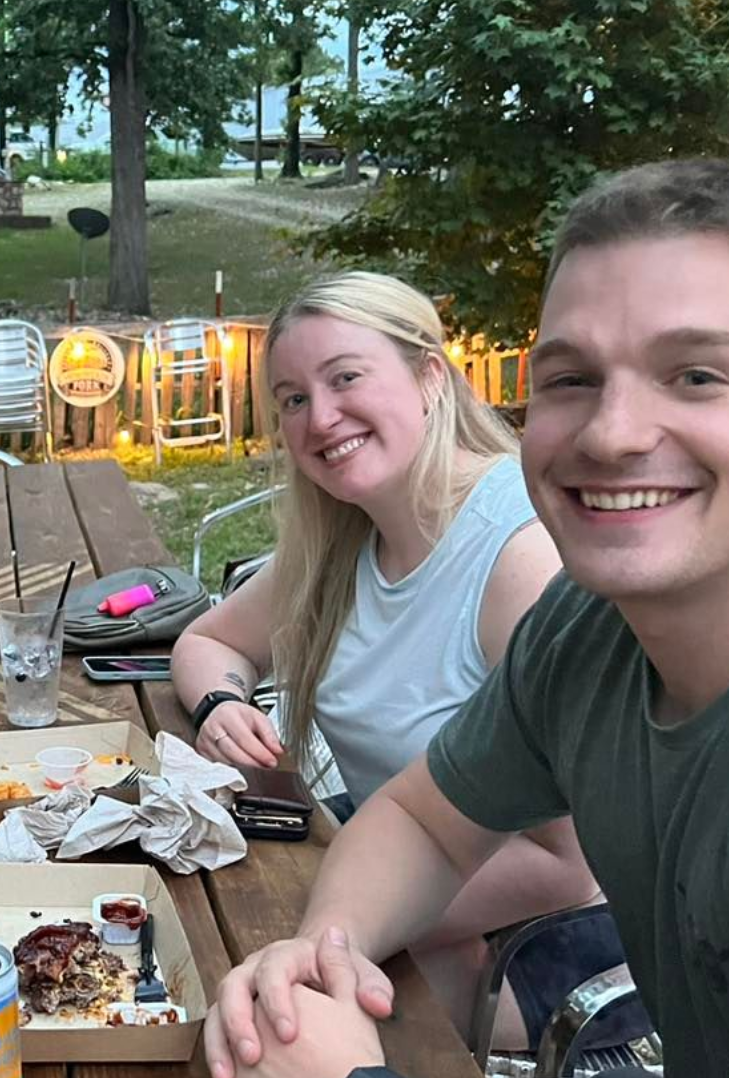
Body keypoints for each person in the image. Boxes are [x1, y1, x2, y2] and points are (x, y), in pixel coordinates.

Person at [203, 159, 729, 1078]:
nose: (612, 433)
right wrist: (323, 956)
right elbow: (425, 821)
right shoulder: (589, 627)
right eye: (570, 378)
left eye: (695, 375)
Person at [171, 271, 612, 1049]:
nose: (320, 416)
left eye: (345, 378)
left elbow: (566, 868)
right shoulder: (342, 537)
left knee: (253, 1019)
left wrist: (334, 918)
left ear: (429, 376)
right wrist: (223, 705)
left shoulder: (519, 559)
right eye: (293, 398)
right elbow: (208, 643)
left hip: (547, 950)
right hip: (385, 888)